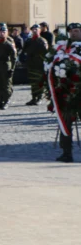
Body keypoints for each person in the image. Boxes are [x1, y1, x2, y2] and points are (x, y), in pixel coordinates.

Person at [55, 22, 81, 162]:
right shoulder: (64, 48)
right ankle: (67, 152)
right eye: (71, 31)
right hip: (67, 92)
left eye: (76, 31)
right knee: (65, 122)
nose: (73, 33)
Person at [0, 23, 17, 110]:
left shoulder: (9, 43)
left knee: (6, 85)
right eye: (1, 32)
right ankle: (1, 100)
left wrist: (12, 68)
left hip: (6, 65)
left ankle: (6, 101)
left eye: (4, 32)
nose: (2, 33)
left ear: (7, 33)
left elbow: (14, 57)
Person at [24, 24, 49, 106]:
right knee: (33, 82)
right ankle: (34, 97)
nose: (34, 31)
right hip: (31, 64)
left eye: (36, 29)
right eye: (33, 29)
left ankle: (39, 98)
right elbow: (25, 50)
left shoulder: (42, 41)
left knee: (39, 82)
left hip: (39, 65)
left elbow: (45, 53)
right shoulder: (29, 40)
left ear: (39, 30)